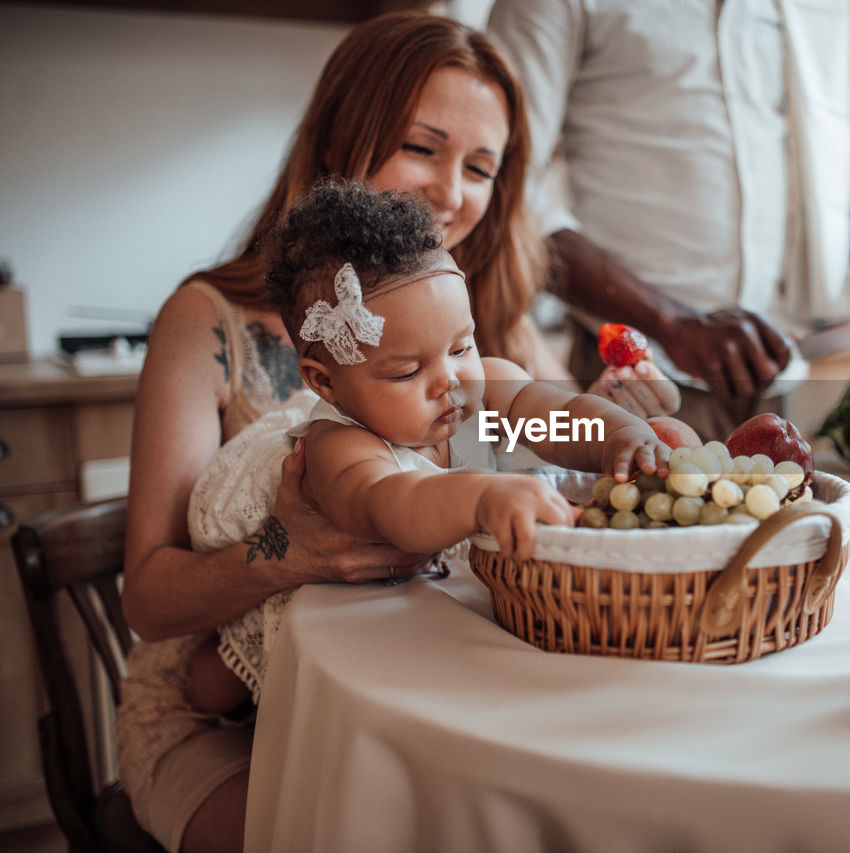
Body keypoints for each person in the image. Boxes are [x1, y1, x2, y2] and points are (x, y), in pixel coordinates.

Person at [116, 13, 671, 853]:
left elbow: (537, 417)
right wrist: (288, 551)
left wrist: (620, 428)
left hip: (407, 673)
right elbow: (150, 597)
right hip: (216, 710)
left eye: (480, 166)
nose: (452, 192)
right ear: (346, 133)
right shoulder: (212, 323)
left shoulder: (463, 323)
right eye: (422, 146)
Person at [182, 180, 668, 714]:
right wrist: (481, 497)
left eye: (461, 345)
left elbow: (561, 419)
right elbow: (397, 504)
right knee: (224, 688)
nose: (450, 380)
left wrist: (618, 435)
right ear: (325, 383)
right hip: (323, 614)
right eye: (408, 370)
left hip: (435, 615)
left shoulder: (486, 388)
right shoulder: (339, 444)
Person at [486, 0, 850, 440]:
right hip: (636, 381)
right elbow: (504, 188)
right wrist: (671, 324)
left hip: (775, 377)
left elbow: (832, 186)